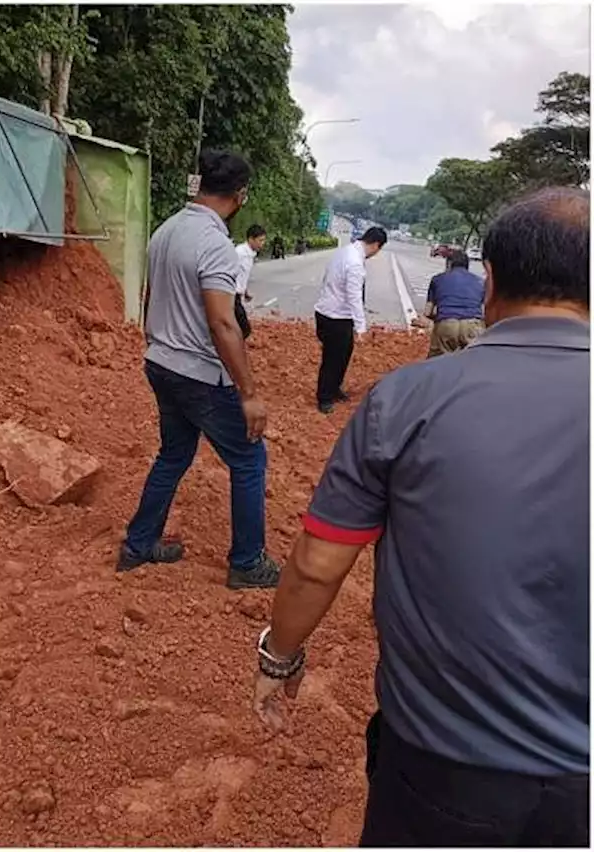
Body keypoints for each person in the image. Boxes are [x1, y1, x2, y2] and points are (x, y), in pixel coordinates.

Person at [251, 187, 589, 846]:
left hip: (442, 770)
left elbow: (319, 566)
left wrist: (280, 658)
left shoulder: (407, 400)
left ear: (489, 282)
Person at [119, 149, 280, 589]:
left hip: (161, 362)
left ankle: (139, 545)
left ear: (199, 184)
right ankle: (247, 563)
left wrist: (157, 344)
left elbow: (152, 298)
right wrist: (248, 394)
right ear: (240, 195)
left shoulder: (165, 231)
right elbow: (223, 322)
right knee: (249, 458)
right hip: (197, 374)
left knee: (174, 454)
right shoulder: (216, 246)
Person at [312, 226, 388, 414]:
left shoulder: (345, 252)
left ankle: (334, 388)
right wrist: (361, 327)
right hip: (336, 317)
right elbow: (354, 296)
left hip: (328, 312)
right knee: (333, 358)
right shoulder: (354, 262)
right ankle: (324, 397)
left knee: (344, 353)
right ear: (377, 245)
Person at [412, 248, 485, 356]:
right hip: (473, 326)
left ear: (449, 264)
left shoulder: (437, 279)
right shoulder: (480, 282)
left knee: (437, 362)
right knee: (470, 364)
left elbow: (428, 312)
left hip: (446, 325)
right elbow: (483, 312)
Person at [234, 224, 266, 339]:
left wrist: (245, 291)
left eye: (263, 240)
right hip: (231, 295)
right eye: (260, 240)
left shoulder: (251, 254)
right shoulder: (239, 253)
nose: (262, 244)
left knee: (236, 327)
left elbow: (243, 275)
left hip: (238, 295)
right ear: (251, 239)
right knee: (244, 328)